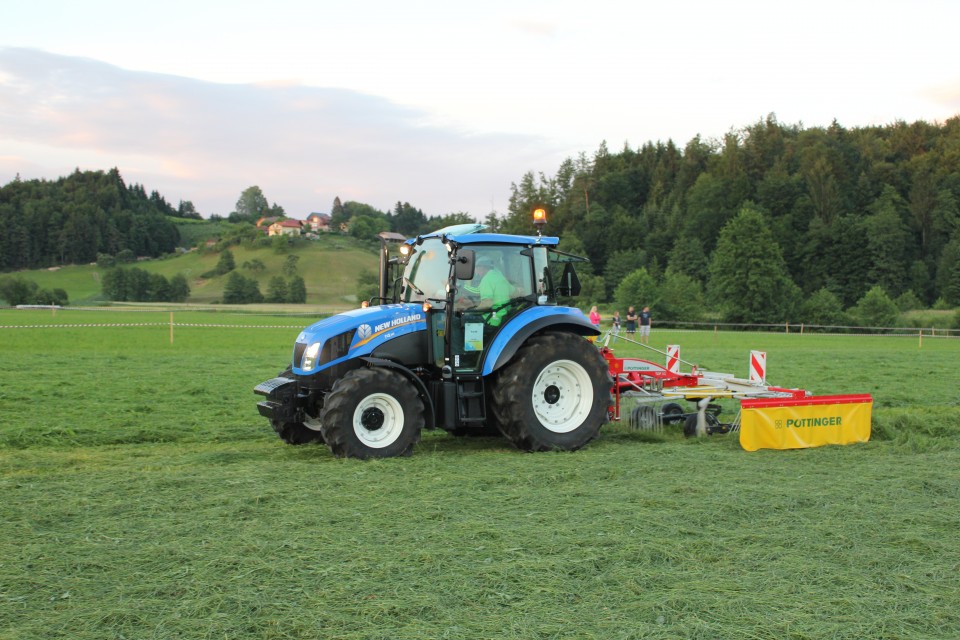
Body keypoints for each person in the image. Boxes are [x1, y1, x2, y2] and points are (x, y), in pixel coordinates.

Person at [476, 256, 512, 326]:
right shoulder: (500, 277)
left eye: (477, 268)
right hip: (504, 317)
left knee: (459, 320)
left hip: (491, 320)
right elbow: (515, 292)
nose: (476, 271)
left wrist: (474, 311)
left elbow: (487, 303)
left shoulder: (486, 279)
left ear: (482, 267)